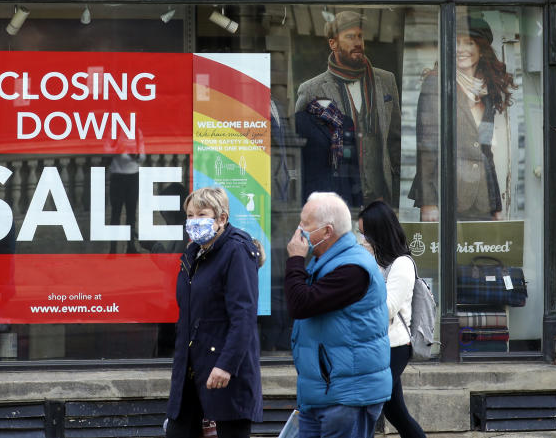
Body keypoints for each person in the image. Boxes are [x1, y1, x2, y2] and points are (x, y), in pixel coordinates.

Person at [285, 191, 391, 438]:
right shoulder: (326, 261)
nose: (299, 230)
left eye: (306, 224)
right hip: (322, 393)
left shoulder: (352, 268)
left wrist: (295, 260)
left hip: (346, 395)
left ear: (327, 231)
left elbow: (300, 304)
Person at [166, 186, 264, 438]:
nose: (193, 222)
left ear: (222, 218)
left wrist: (226, 365)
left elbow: (243, 316)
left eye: (201, 214)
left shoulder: (237, 251)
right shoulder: (193, 252)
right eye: (189, 215)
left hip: (223, 370)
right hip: (191, 369)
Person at [409, 15, 516, 221]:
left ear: (481, 48)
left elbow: (485, 151)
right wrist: (429, 203)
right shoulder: (436, 84)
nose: (461, 49)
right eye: (456, 43)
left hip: (482, 199)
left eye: (469, 42)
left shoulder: (487, 89)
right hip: (446, 195)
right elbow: (427, 148)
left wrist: (496, 204)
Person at [294, 11, 401, 207]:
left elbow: (395, 138)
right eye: (350, 37)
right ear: (333, 43)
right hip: (338, 196)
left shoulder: (386, 81)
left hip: (380, 195)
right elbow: (301, 148)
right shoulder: (311, 89)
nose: (358, 42)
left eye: (360, 36)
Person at [357, 201, 426, 438]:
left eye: (365, 233)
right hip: (376, 344)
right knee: (396, 412)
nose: (362, 239)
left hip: (394, 347)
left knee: (368, 409)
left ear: (379, 233)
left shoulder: (402, 265)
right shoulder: (374, 261)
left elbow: (386, 309)